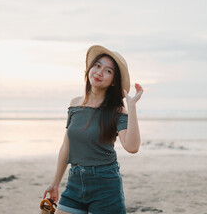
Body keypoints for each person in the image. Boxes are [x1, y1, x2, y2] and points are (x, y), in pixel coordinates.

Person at [43, 45, 143, 214]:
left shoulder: (117, 110)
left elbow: (132, 147)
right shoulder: (75, 103)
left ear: (113, 82)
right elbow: (66, 147)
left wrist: (131, 106)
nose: (99, 72)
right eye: (97, 66)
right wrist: (55, 183)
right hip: (75, 181)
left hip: (105, 185)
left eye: (108, 71)